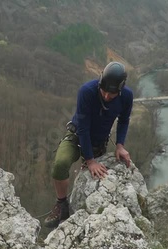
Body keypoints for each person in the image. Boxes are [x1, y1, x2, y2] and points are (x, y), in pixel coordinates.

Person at [44, 61, 133, 228]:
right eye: (104, 91)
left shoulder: (127, 96)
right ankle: (61, 204)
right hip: (77, 135)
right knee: (60, 164)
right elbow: (83, 128)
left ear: (120, 90)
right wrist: (90, 161)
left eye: (111, 94)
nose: (106, 96)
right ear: (100, 83)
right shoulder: (87, 91)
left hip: (99, 141)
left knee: (93, 178)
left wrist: (120, 145)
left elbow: (124, 120)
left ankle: (83, 210)